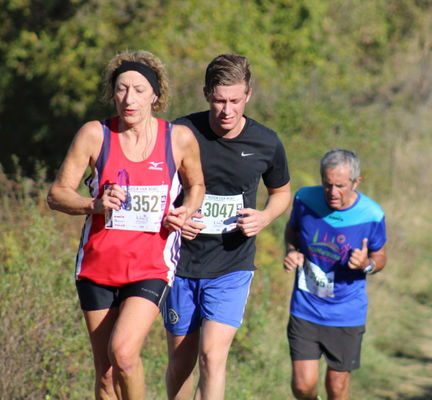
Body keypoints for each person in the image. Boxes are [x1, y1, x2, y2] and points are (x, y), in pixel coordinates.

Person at [47, 50, 205, 399]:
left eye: (138, 89)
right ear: (112, 93)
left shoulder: (177, 139)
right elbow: (57, 194)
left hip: (150, 264)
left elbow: (196, 186)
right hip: (97, 266)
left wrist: (187, 210)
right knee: (104, 374)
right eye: (121, 89)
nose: (128, 98)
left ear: (155, 95)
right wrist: (94, 204)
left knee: (123, 353)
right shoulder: (95, 134)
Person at [163, 54, 291, 400]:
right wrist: (176, 217)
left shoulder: (266, 142)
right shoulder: (179, 132)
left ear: (248, 95)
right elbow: (157, 188)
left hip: (231, 266)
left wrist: (264, 217)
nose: (227, 110)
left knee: (212, 357)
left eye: (235, 100)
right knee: (181, 362)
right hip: (181, 265)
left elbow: (281, 192)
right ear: (206, 94)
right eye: (219, 100)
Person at [283, 149, 387, 400]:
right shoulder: (305, 199)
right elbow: (292, 230)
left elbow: (380, 256)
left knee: (337, 388)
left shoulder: (371, 214)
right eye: (327, 184)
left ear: (356, 182)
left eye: (340, 186)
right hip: (305, 307)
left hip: (346, 312)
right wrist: (292, 251)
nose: (332, 192)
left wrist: (366, 264)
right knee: (302, 386)